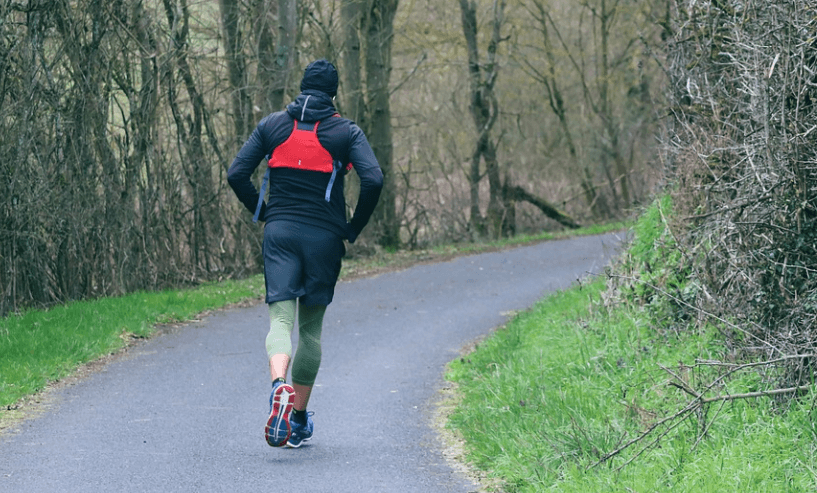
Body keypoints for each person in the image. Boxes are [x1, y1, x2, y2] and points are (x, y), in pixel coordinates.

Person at [227, 59, 383, 448]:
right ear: (333, 94)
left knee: (280, 319)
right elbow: (374, 178)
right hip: (325, 238)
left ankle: (278, 385)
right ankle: (296, 419)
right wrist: (353, 227)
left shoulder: (273, 125)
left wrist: (262, 211)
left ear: (300, 89)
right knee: (310, 331)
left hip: (279, 232)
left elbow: (236, 173)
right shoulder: (346, 131)